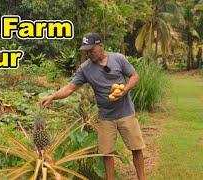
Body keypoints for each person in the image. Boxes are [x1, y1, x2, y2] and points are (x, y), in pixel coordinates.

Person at [40, 32, 146, 180]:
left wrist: (124, 90)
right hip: (105, 116)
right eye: (87, 50)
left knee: (136, 148)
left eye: (91, 49)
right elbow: (70, 88)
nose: (89, 53)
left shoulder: (118, 59)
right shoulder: (85, 69)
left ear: (101, 46)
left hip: (125, 112)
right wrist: (52, 96)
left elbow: (135, 77)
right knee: (106, 152)